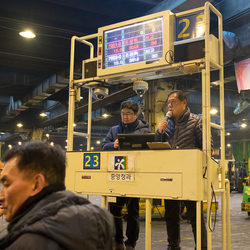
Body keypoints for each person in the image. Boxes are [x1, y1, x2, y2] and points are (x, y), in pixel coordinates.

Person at [0, 141, 115, 250]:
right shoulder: (97, 223)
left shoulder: (26, 244)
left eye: (7, 184)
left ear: (36, 184)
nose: (1, 196)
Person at [155, 90, 207, 250]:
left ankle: (202, 247)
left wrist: (202, 174)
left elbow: (206, 149)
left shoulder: (197, 122)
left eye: (173, 102)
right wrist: (159, 132)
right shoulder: (167, 123)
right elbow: (158, 147)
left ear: (184, 103)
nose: (169, 106)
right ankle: (173, 245)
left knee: (195, 216)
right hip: (171, 175)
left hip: (191, 176)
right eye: (168, 103)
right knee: (171, 215)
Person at [102, 100, 151, 250]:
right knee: (114, 211)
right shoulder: (114, 130)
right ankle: (118, 241)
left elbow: (150, 153)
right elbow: (103, 146)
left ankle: (131, 243)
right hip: (116, 176)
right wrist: (112, 145)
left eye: (129, 114)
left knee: (133, 212)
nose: (125, 116)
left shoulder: (144, 132)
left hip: (135, 177)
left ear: (136, 114)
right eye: (123, 113)